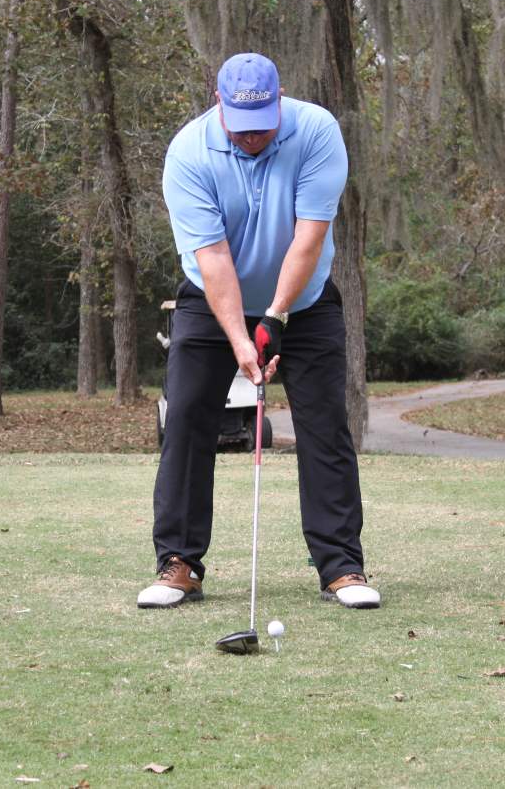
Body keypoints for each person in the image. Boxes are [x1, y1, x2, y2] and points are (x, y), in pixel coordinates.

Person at [137, 52, 379, 611]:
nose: (252, 138)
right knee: (189, 418)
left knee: (324, 423)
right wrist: (242, 339)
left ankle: (342, 566)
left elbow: (308, 237)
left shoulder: (316, 131)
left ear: (280, 99)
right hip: (211, 298)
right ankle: (179, 564)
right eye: (241, 127)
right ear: (218, 103)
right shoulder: (189, 151)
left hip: (306, 300)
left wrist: (274, 317)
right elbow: (213, 258)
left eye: (263, 125)